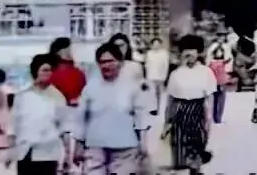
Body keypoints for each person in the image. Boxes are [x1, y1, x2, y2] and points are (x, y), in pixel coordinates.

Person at [73, 42, 150, 175]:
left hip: (125, 147)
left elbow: (141, 118)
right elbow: (81, 119)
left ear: (120, 62)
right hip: (95, 146)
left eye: (110, 61)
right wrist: (78, 146)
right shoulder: (90, 88)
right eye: (102, 62)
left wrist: (143, 143)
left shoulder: (132, 87)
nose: (106, 65)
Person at [163, 34, 216, 175]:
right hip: (179, 113)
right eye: (186, 50)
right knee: (180, 148)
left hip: (198, 111)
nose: (189, 53)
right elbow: (170, 100)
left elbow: (209, 98)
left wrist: (209, 119)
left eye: (193, 50)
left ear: (198, 52)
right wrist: (167, 122)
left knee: (198, 145)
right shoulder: (176, 74)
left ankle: (196, 170)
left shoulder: (206, 72)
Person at [12, 54, 69, 175]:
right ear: (35, 71)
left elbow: (64, 127)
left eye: (50, 70)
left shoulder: (58, 97)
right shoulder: (22, 96)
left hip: (47, 153)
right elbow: (14, 123)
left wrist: (67, 154)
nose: (48, 73)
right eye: (44, 70)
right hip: (24, 152)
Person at [49, 38, 86, 107]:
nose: (70, 51)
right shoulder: (76, 72)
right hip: (71, 108)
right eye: (69, 49)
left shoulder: (50, 71)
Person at [205, 41, 231, 125]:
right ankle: (218, 118)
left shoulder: (211, 63)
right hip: (220, 83)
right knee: (220, 101)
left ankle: (216, 117)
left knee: (216, 101)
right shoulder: (221, 62)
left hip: (216, 83)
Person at [145, 37, 170, 113]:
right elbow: (147, 65)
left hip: (160, 76)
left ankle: (160, 109)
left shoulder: (164, 53)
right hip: (151, 76)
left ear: (160, 45)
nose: (156, 45)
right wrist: (147, 76)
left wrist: (165, 76)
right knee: (152, 93)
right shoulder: (149, 53)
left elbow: (166, 65)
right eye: (155, 44)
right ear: (152, 45)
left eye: (158, 44)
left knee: (160, 93)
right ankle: (154, 109)